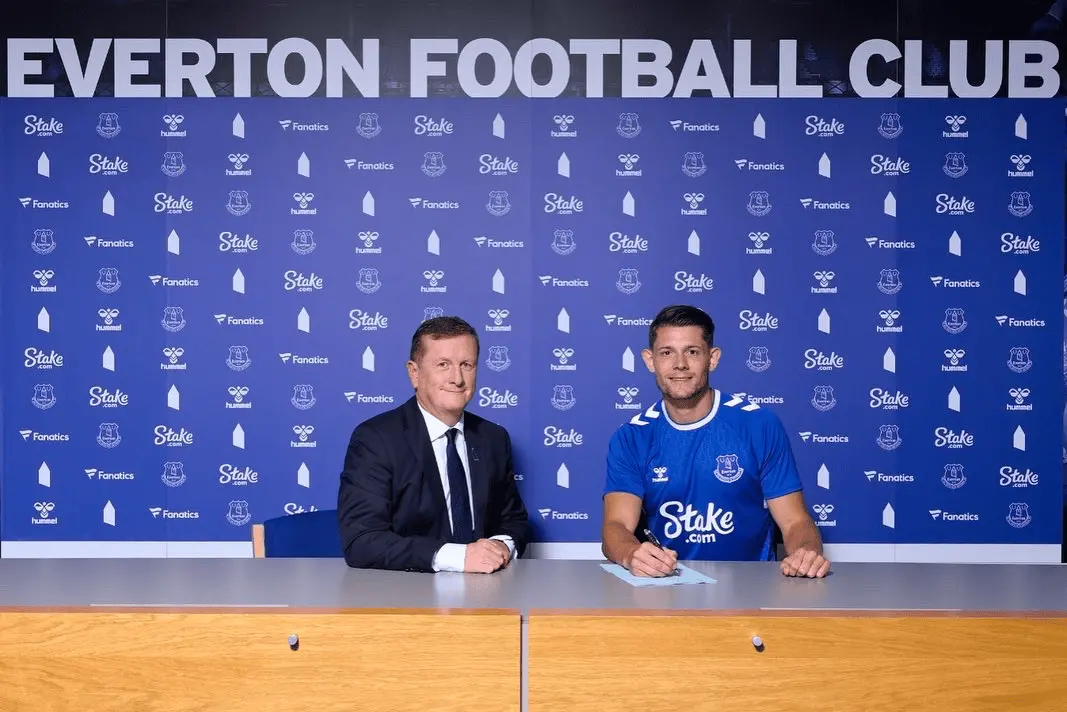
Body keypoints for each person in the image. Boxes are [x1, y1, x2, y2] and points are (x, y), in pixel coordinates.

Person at [601, 305, 830, 578]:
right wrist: (631, 554)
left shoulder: (759, 425)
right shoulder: (631, 437)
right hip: (667, 584)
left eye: (692, 352)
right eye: (667, 353)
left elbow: (795, 522)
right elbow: (616, 526)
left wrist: (806, 553)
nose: (680, 364)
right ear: (650, 361)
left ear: (713, 358)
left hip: (752, 586)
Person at [337, 315, 530, 572]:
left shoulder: (493, 438)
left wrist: (502, 546)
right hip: (407, 588)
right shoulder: (376, 439)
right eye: (443, 365)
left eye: (466, 365)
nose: (457, 378)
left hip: (486, 586)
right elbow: (362, 541)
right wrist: (458, 557)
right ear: (414, 373)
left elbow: (513, 520)